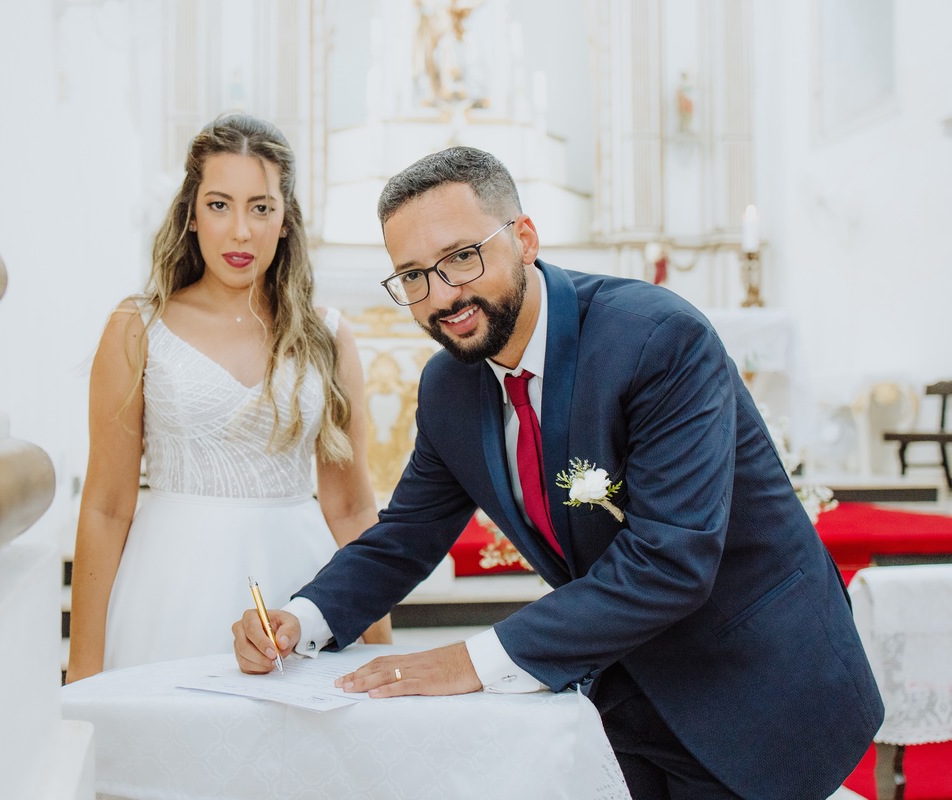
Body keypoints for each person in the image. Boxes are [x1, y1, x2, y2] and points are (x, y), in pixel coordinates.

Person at [233, 146, 883, 799]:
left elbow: (672, 559)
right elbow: (406, 536)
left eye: (462, 257)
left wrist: (471, 661)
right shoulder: (450, 385)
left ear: (523, 238)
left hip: (754, 682)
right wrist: (302, 619)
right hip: (623, 691)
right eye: (413, 276)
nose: (443, 295)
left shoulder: (657, 339)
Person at [66, 114, 390, 683]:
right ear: (191, 214)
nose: (241, 231)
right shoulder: (137, 328)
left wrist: (379, 651)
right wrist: (83, 672)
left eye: (261, 207)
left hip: (300, 587)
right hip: (166, 594)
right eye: (220, 205)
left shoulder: (327, 337)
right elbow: (106, 507)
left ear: (286, 219)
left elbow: (352, 509)